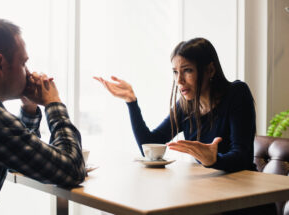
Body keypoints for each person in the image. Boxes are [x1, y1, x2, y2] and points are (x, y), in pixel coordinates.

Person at [95, 37, 276, 214]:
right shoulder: (185, 106)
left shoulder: (237, 93)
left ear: (210, 70)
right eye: (175, 72)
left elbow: (243, 157)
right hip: (210, 197)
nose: (179, 80)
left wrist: (214, 160)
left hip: (246, 202)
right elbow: (149, 145)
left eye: (187, 70)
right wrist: (131, 102)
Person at [0, 17, 86, 215]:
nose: (28, 73)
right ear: (0, 64)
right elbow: (71, 170)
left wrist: (29, 109)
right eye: (23, 63)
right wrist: (54, 103)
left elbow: (19, 158)